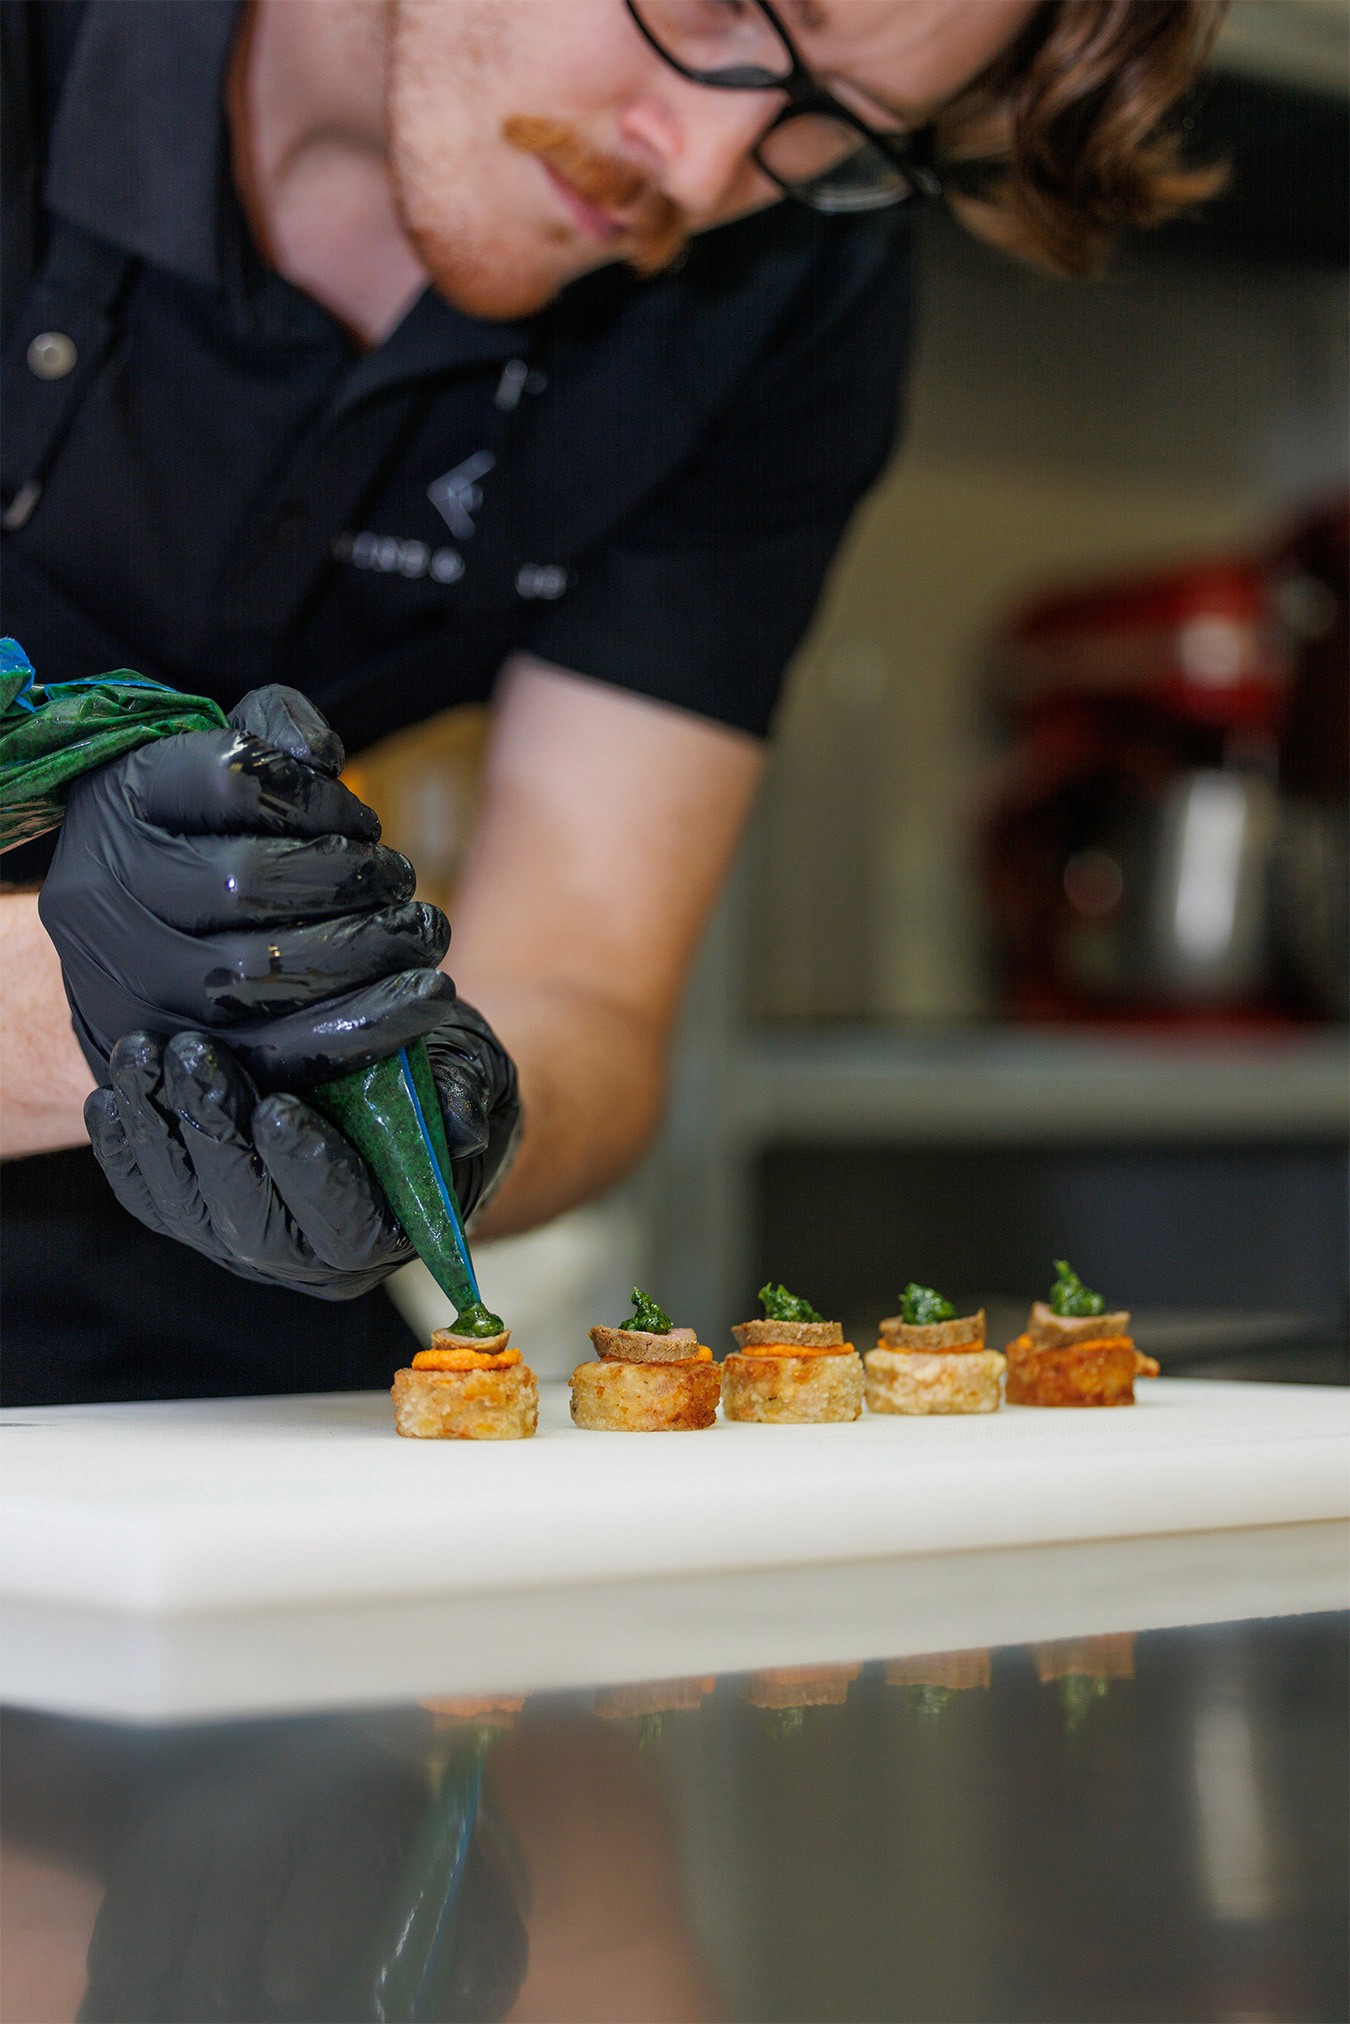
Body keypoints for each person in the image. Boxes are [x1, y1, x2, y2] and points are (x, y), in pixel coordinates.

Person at [0, 0, 1227, 1405]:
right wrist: (102, 1011)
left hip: (215, 1376)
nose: (702, 174)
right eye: (713, 6)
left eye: (835, 117)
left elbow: (584, 980)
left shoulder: (789, 273)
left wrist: (464, 1133)